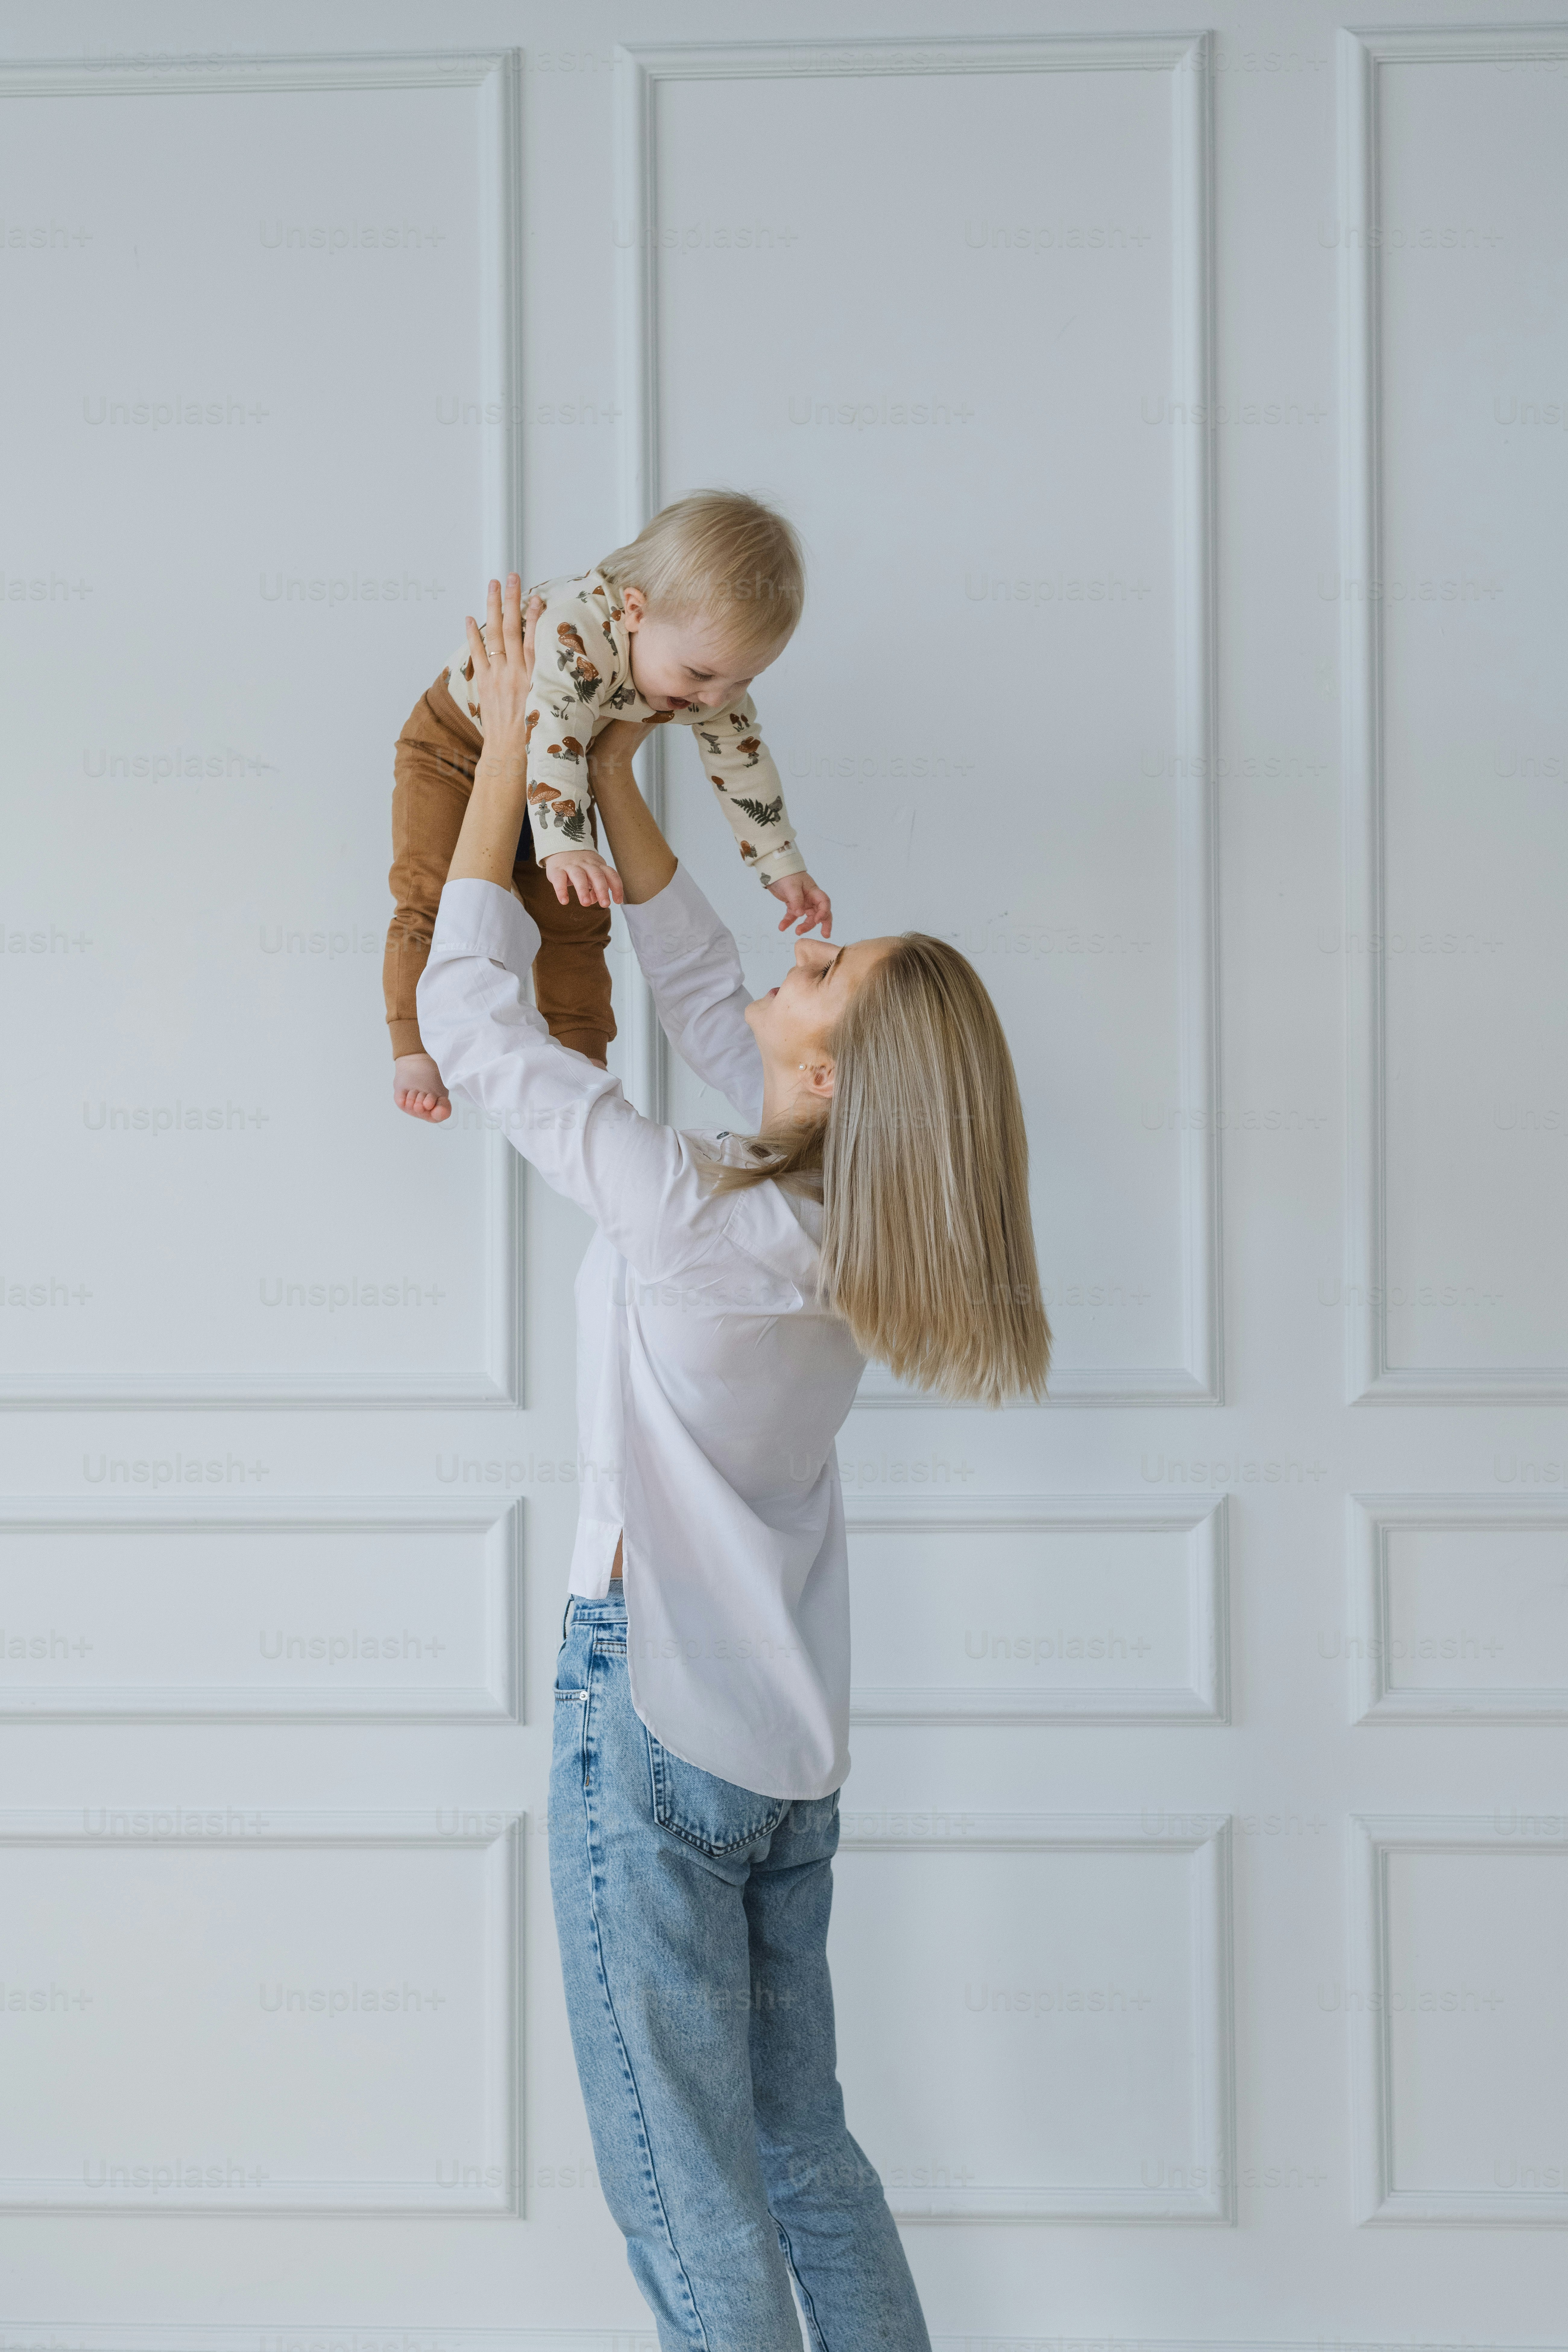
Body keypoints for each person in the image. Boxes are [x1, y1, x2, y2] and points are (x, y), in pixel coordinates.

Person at [415, 575, 1049, 2352]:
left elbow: (475, 1028)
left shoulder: (697, 1217)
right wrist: (613, 765)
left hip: (652, 1728)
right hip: (778, 1759)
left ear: (832, 1079)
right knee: (799, 2154)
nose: (801, 950)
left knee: (685, 2193)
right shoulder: (846, 1232)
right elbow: (707, 993)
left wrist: (505, 749)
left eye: (826, 974)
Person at [385, 490, 830, 1123]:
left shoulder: (712, 679)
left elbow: (743, 763)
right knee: (431, 893)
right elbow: (555, 728)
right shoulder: (578, 630)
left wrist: (782, 866)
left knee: (579, 920)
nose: (714, 699)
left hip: (561, 772)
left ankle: (582, 1052)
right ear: (635, 611)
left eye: (743, 681)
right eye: (700, 676)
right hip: (458, 747)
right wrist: (568, 843)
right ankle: (415, 1046)